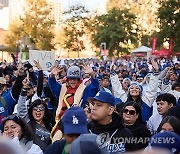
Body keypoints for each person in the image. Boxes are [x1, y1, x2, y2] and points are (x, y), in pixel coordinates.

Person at [48, 64, 99, 140]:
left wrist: (92, 75)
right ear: (67, 79)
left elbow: (94, 88)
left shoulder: (84, 90)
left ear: (79, 80)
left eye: (75, 79)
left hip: (77, 124)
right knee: (56, 141)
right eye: (70, 79)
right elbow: (53, 86)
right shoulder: (62, 88)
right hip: (62, 122)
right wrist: (52, 75)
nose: (72, 81)